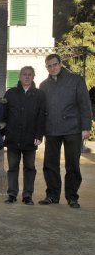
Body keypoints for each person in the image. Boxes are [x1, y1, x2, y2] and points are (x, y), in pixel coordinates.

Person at [39, 54, 92, 208]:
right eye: (49, 66)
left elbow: (85, 105)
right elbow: (42, 110)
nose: (52, 68)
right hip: (52, 129)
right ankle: (52, 195)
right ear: (46, 67)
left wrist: (86, 127)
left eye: (55, 64)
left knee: (72, 164)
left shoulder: (76, 80)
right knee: (50, 164)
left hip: (73, 129)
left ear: (60, 64)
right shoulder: (43, 85)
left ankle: (72, 197)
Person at [3, 66, 46, 205]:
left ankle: (27, 195)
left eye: (29, 75)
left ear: (33, 77)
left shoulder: (39, 95)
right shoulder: (10, 93)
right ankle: (12, 194)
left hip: (30, 138)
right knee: (12, 168)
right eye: (24, 74)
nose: (27, 77)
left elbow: (42, 116)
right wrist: (3, 133)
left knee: (30, 168)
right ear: (20, 77)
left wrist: (39, 136)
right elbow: (4, 115)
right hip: (13, 138)